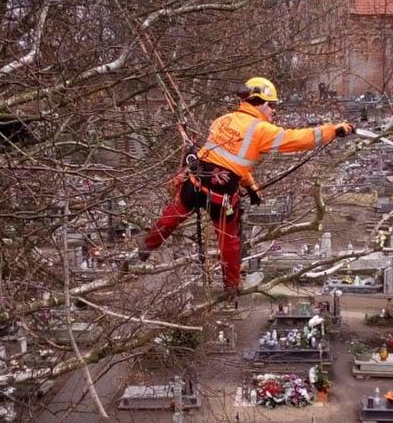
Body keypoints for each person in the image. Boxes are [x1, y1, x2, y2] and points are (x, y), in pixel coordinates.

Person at [139, 77, 354, 295]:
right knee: (231, 243)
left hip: (195, 182)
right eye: (272, 105)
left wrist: (250, 185)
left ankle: (147, 246)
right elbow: (298, 139)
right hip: (221, 196)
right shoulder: (261, 129)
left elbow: (229, 159)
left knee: (171, 216)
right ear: (259, 102)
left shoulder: (222, 120)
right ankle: (231, 286)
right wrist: (333, 130)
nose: (274, 111)